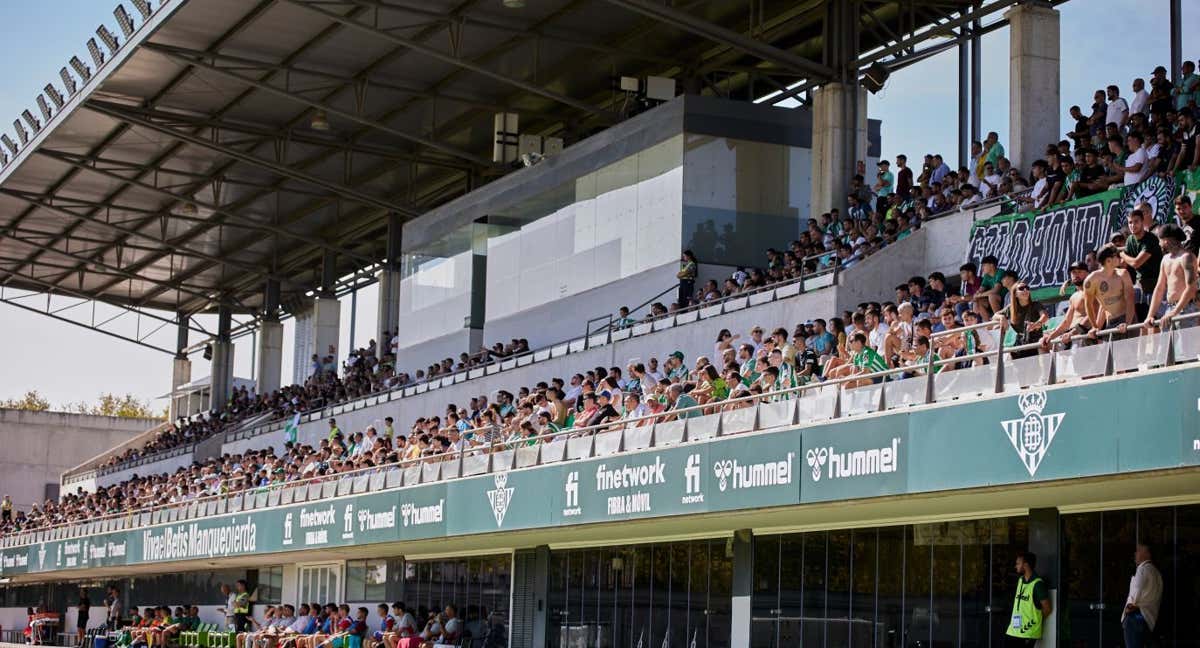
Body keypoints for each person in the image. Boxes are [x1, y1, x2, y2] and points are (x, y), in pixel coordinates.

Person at [1145, 224, 1198, 332]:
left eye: (1159, 240)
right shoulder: (1165, 259)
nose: (1159, 244)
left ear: (1166, 240)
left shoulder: (1186, 257)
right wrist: (1150, 315)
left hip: (1187, 309)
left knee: (1188, 348)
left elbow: (1191, 288)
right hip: (1169, 310)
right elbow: (1159, 288)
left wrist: (1175, 312)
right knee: (1167, 348)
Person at [1083, 244, 1136, 337]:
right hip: (1110, 323)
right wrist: (1094, 326)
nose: (1120, 258)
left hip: (1128, 318)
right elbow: (1088, 305)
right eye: (1117, 256)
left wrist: (1127, 323)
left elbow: (1130, 300)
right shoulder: (1091, 280)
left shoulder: (1123, 274)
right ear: (1108, 260)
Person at [1121, 207, 1162, 320]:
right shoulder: (1130, 239)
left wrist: (1120, 254)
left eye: (1136, 222)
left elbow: (1135, 263)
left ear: (1143, 222)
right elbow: (1124, 264)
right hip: (1140, 284)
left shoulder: (1151, 239)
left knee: (1154, 320)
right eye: (1130, 222)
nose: (1133, 225)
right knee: (1141, 321)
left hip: (1157, 284)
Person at [1121, 542, 1163, 648]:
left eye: (1139, 550)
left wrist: (1128, 608)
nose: (1135, 553)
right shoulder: (1157, 573)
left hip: (1135, 617)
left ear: (1147, 554)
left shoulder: (1142, 569)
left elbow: (1136, 591)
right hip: (1148, 621)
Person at [1005, 551, 1051, 647]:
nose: (1015, 566)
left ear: (1025, 565)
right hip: (1014, 630)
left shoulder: (1038, 584)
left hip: (1027, 632)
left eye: (1018, 563)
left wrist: (1035, 621)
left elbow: (1047, 609)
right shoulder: (1020, 580)